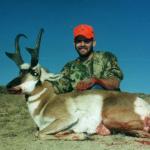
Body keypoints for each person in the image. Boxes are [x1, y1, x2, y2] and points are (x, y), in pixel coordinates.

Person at [52, 24, 123, 94]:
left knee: (97, 88)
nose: (82, 44)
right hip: (79, 103)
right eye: (79, 41)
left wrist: (96, 81)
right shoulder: (69, 67)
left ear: (94, 43)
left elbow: (115, 83)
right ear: (74, 44)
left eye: (86, 41)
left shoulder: (107, 57)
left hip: (109, 102)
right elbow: (57, 86)